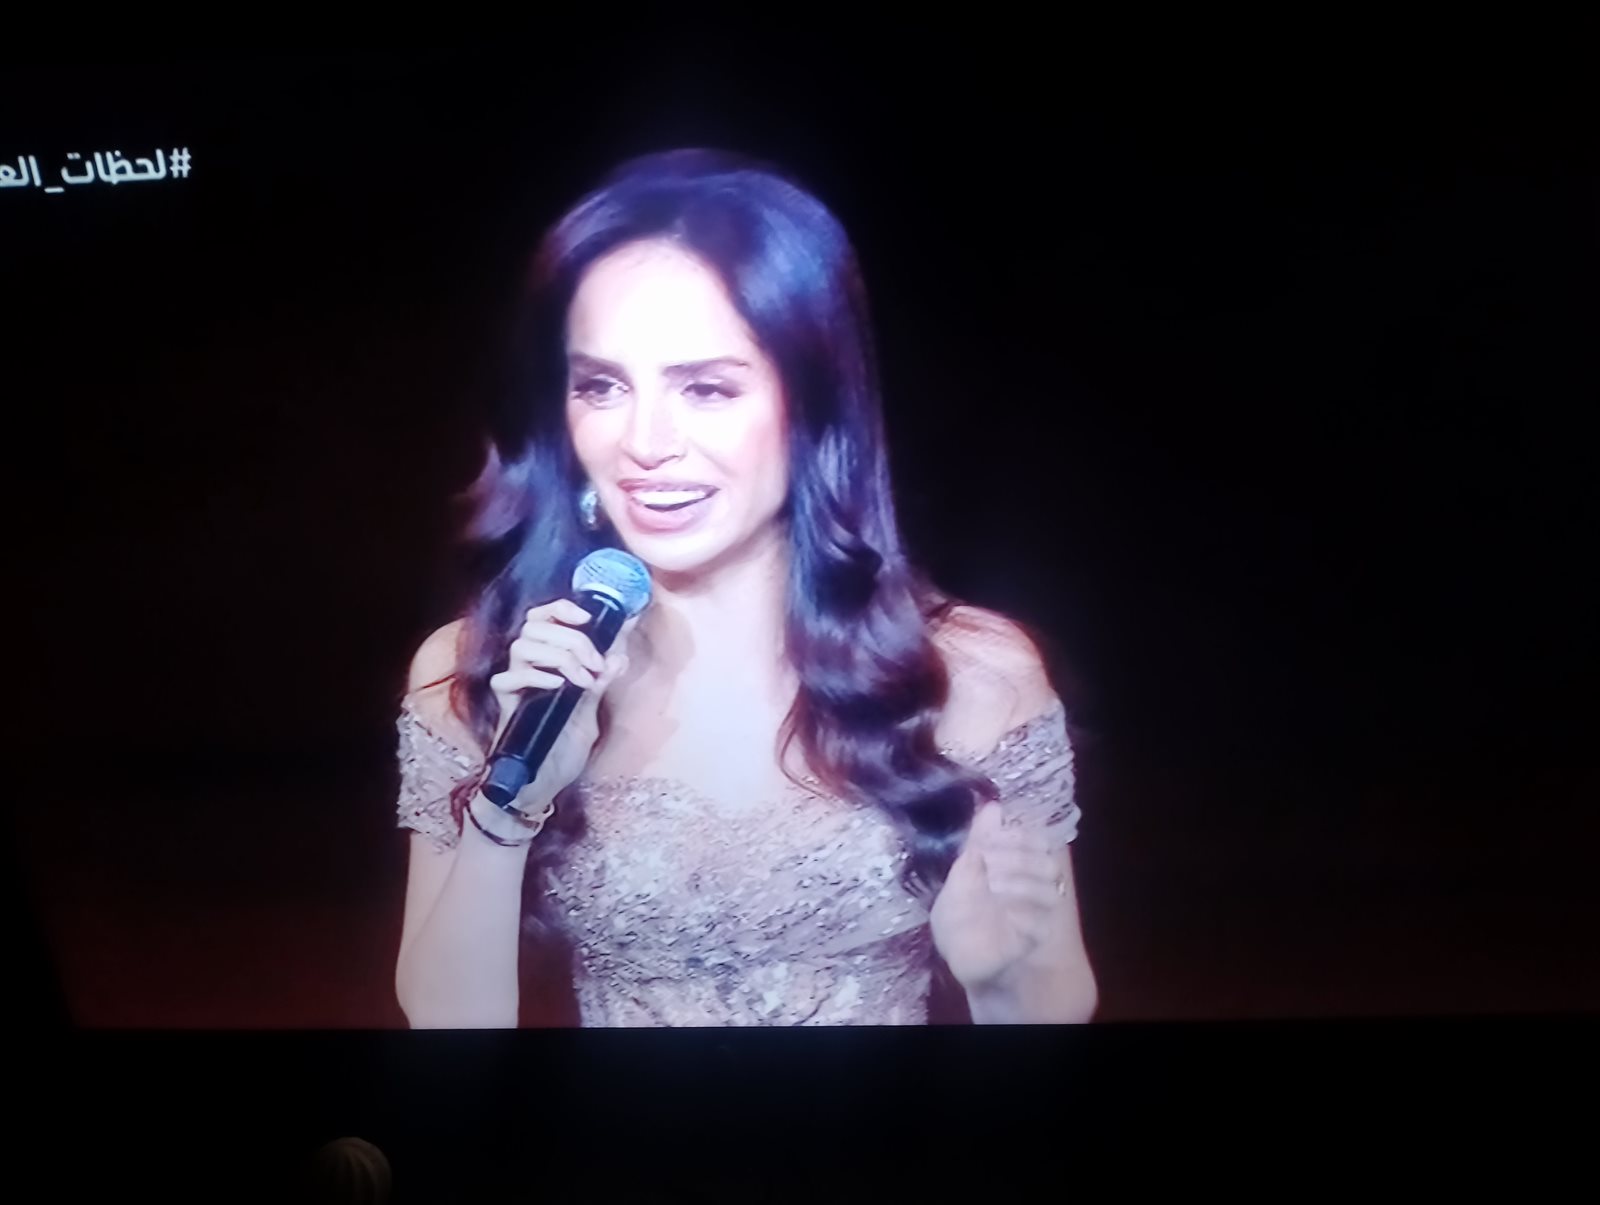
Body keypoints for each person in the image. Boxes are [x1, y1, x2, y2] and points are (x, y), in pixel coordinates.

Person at [393, 148, 1096, 1027]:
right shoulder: (488, 673)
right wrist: (508, 806)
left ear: (813, 406)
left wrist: (997, 984)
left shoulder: (973, 676)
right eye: (602, 386)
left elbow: (1053, 1003)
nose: (645, 442)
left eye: (706, 389)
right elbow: (449, 1027)